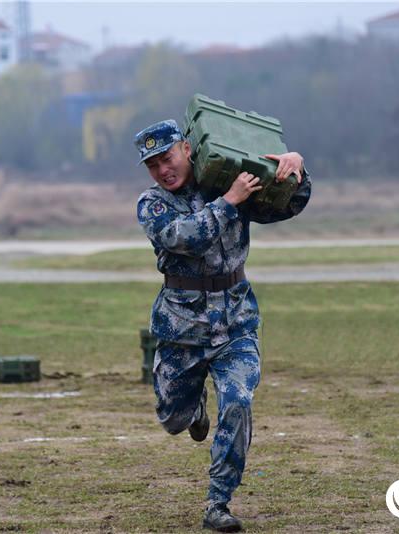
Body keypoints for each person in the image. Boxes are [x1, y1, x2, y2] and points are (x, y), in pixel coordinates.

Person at [135, 119, 312, 532]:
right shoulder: (152, 204)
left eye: (167, 157)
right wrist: (228, 202)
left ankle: (218, 503)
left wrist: (295, 170)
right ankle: (192, 407)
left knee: (238, 401)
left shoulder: (228, 179)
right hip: (182, 330)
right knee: (172, 418)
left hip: (236, 324)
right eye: (153, 165)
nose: (163, 170)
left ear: (187, 149)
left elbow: (285, 205)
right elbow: (183, 237)